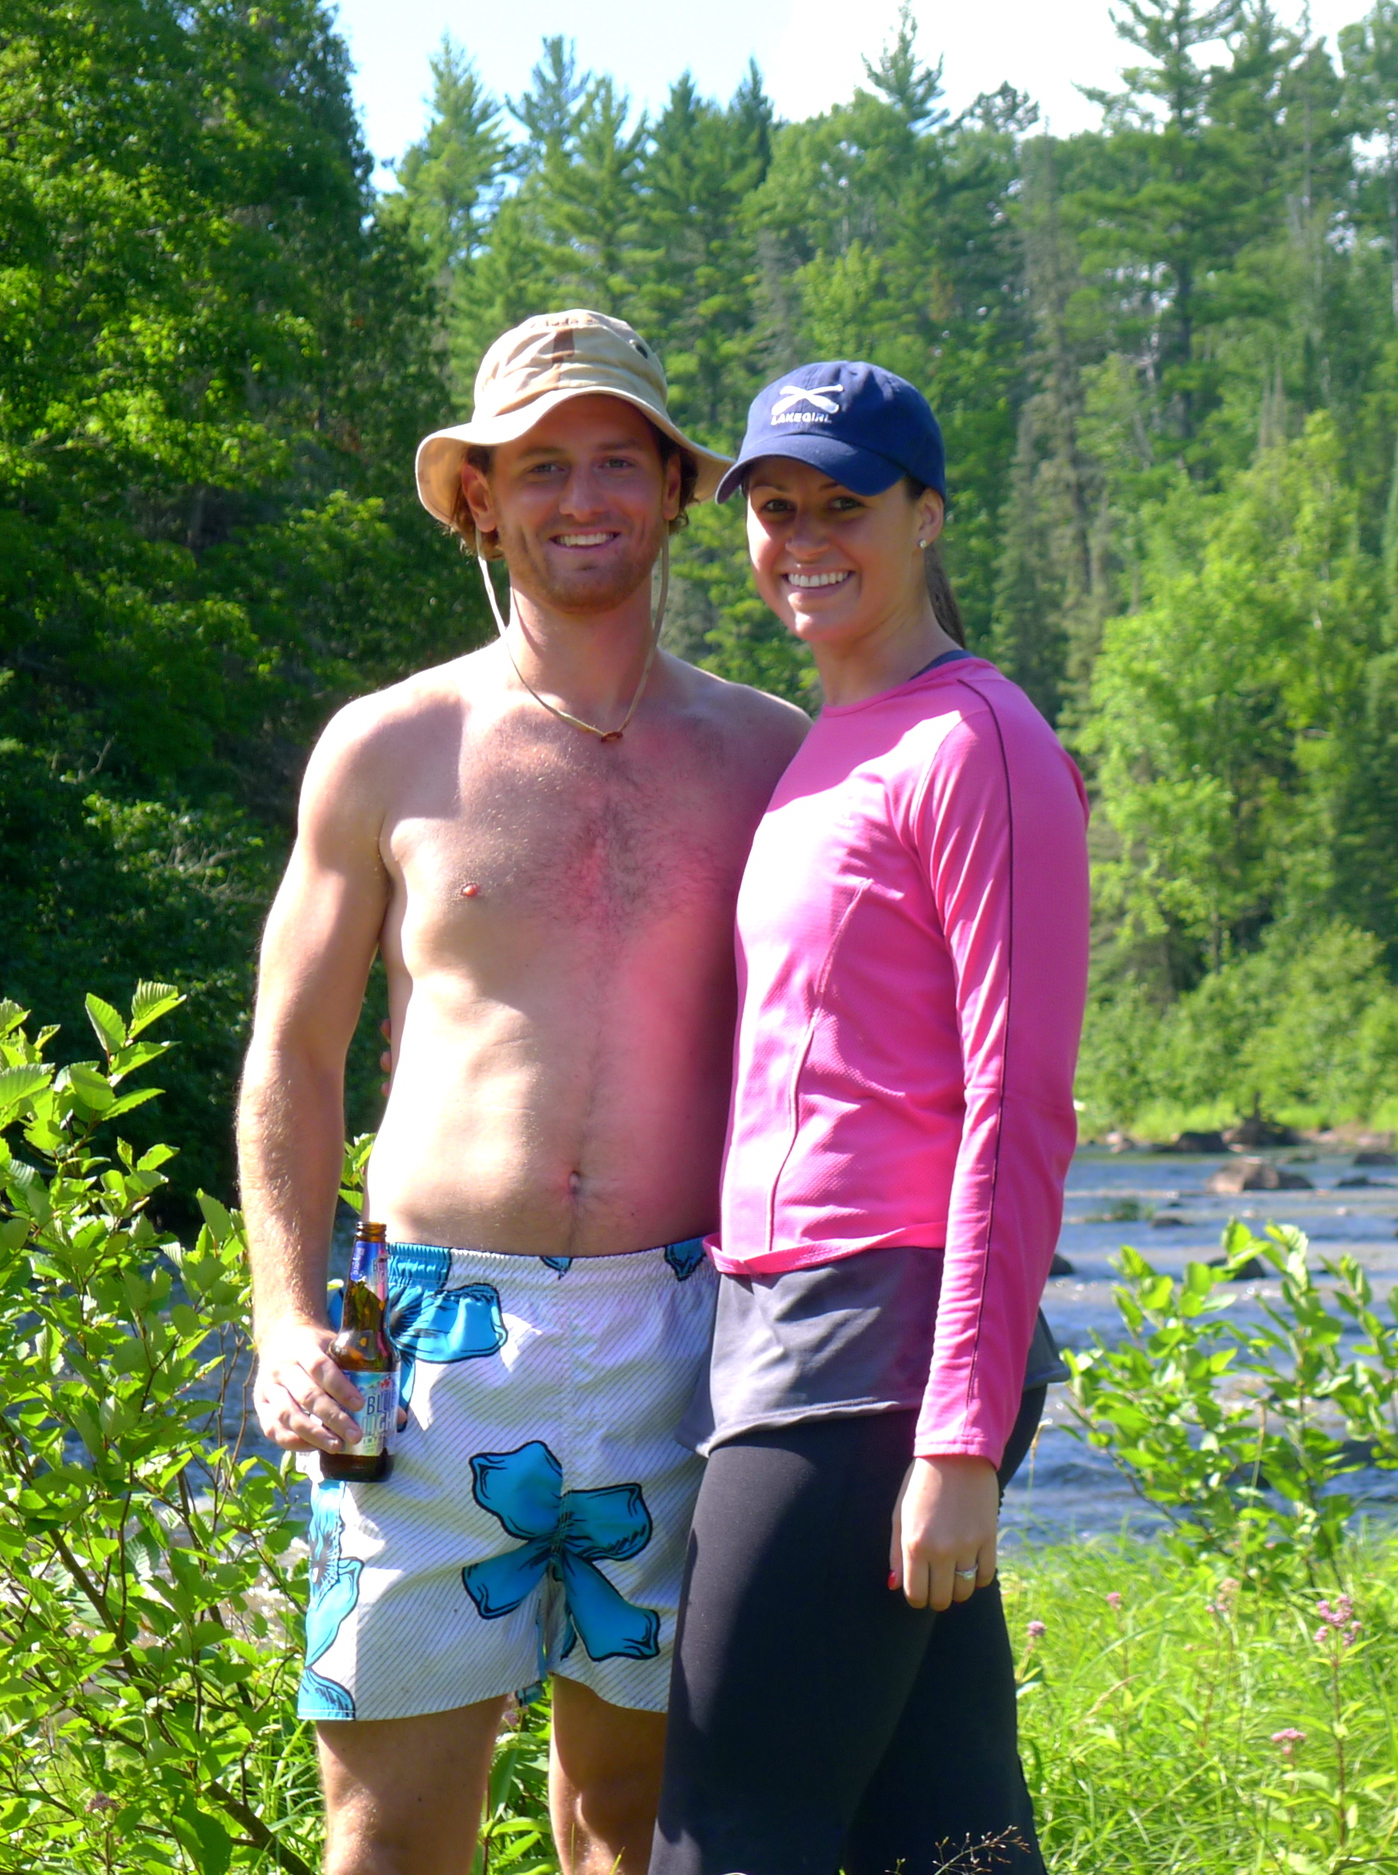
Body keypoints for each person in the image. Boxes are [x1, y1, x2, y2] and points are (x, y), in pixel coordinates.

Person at [239, 309, 811, 1875]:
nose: (582, 499)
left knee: (633, 1821)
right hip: (423, 1344)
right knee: (391, 1829)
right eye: (540, 466)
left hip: (690, 1329)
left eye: (616, 461)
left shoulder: (776, 760)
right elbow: (290, 1053)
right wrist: (286, 1320)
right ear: (479, 502)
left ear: (676, 490)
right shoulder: (389, 748)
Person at [650, 362, 1090, 1875]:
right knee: (945, 1838)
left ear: (928, 514)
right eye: (775, 508)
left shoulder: (978, 740)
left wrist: (959, 1438)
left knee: (722, 1830)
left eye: (845, 503)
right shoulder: (834, 741)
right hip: (786, 1321)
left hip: (878, 1351)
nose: (802, 536)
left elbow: (1019, 1108)